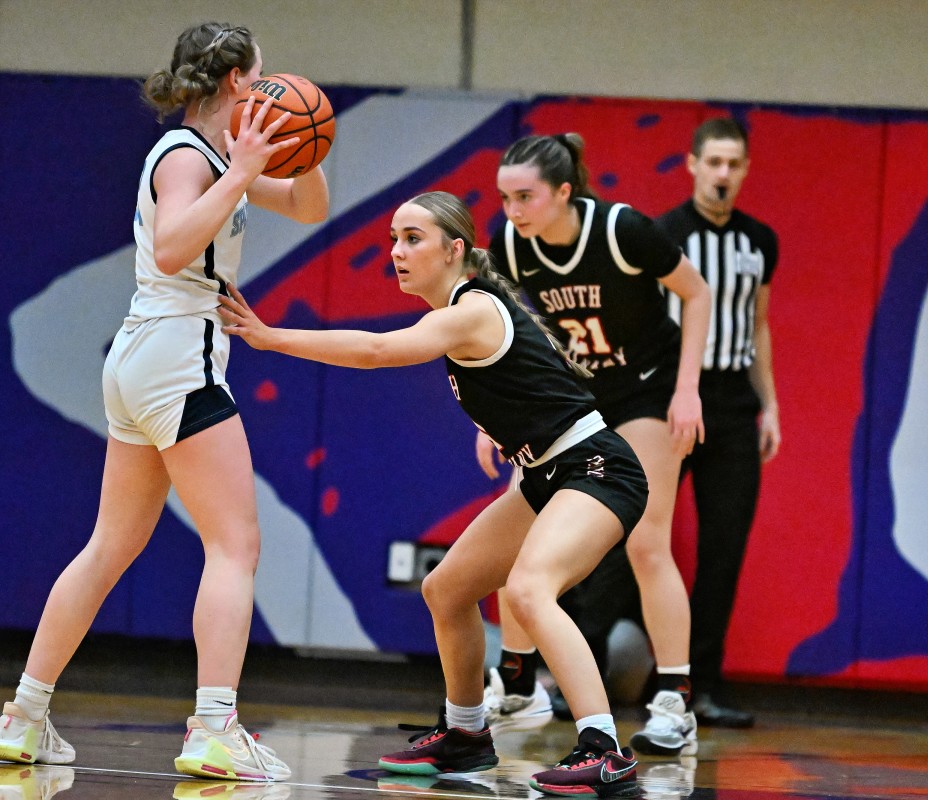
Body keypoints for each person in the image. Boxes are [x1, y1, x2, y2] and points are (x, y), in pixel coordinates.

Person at [0, 22, 329, 780]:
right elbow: (174, 246)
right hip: (178, 348)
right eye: (264, 79)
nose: (271, 89)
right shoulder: (185, 155)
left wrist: (307, 140)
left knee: (111, 544)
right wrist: (241, 174)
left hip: (146, 356)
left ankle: (25, 715)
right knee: (235, 546)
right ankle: (214, 727)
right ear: (238, 80)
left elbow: (309, 209)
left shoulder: (217, 155)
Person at [218, 190, 646, 797]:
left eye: (412, 239)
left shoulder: (468, 310)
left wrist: (270, 337)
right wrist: (495, 426)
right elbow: (528, 378)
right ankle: (467, 734)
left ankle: (605, 750)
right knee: (446, 589)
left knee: (529, 588)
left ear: (456, 250)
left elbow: (375, 350)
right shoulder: (472, 313)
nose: (396, 251)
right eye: (393, 238)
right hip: (547, 472)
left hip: (596, 467)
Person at [479, 133, 710, 757]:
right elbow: (497, 338)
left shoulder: (623, 231)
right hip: (572, 398)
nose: (513, 210)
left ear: (563, 192)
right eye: (504, 198)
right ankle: (519, 681)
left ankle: (674, 700)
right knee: (516, 528)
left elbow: (696, 294)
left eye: (525, 196)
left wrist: (688, 389)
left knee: (646, 540)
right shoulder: (511, 246)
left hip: (644, 392)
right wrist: (491, 419)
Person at [657, 116, 781, 728]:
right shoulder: (663, 234)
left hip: (733, 404)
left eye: (735, 163)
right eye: (714, 162)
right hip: (670, 397)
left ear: (746, 170)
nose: (724, 173)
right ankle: (590, 677)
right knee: (629, 538)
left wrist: (772, 405)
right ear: (692, 164)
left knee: (723, 550)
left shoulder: (760, 241)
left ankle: (698, 688)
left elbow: (759, 326)